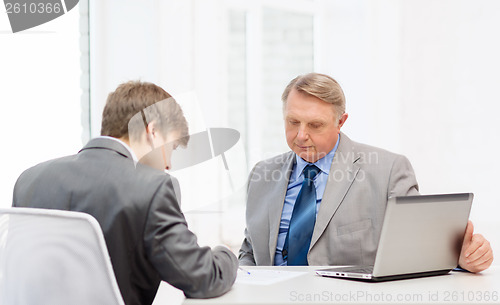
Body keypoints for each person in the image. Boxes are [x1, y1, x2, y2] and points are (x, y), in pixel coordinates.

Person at [239, 72, 493, 273]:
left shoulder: (387, 171)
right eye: (293, 122)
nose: (301, 135)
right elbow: (250, 251)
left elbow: (420, 251)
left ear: (341, 122)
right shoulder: (262, 174)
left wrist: (461, 259)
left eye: (315, 125)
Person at [13, 81, 238, 305]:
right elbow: (201, 278)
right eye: (172, 148)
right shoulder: (152, 187)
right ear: (153, 131)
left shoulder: (29, 180)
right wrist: (226, 255)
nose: (169, 164)